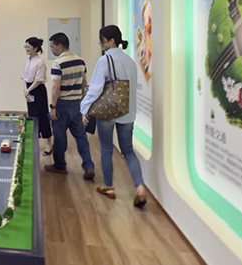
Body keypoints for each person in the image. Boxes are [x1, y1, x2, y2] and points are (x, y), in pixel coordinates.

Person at [81, 25, 148, 208]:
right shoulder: (130, 62)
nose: (100, 43)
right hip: (127, 113)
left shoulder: (105, 60)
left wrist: (84, 108)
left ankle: (109, 187)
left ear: (111, 41)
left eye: (102, 40)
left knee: (106, 149)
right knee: (128, 150)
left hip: (108, 112)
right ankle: (140, 187)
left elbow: (95, 89)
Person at [45, 32, 95, 179]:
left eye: (52, 47)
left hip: (62, 105)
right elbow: (84, 84)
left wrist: (53, 107)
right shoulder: (81, 61)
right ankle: (89, 166)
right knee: (81, 137)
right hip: (76, 104)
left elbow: (56, 87)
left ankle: (60, 165)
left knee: (60, 137)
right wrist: (83, 103)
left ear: (60, 46)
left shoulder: (58, 63)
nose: (51, 50)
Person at [22, 37, 53, 155]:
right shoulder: (28, 60)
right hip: (29, 90)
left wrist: (28, 90)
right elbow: (24, 77)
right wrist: (25, 91)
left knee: (42, 116)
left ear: (35, 48)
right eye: (25, 47)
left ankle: (49, 143)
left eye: (28, 47)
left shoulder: (40, 61)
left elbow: (39, 80)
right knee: (32, 116)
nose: (26, 49)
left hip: (38, 90)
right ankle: (34, 141)